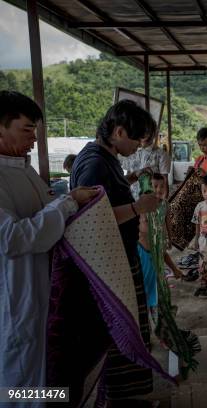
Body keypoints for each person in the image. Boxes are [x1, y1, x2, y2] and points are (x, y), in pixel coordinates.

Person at [0, 91, 97, 400]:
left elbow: (46, 210)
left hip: (39, 290)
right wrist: (67, 204)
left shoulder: (22, 168)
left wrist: (67, 202)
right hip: (16, 294)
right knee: (18, 378)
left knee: (40, 373)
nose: (33, 140)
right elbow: (13, 238)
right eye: (26, 129)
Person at [71, 100, 161, 404]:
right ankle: (120, 399)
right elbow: (90, 217)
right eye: (135, 139)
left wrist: (132, 180)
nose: (138, 147)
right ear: (118, 131)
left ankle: (125, 396)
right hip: (110, 264)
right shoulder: (95, 163)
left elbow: (105, 195)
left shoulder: (101, 156)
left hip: (119, 257)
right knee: (121, 331)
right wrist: (138, 207)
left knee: (128, 328)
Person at [138, 173, 183, 318]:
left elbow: (167, 222)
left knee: (159, 286)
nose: (159, 190)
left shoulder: (165, 205)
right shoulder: (141, 205)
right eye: (155, 186)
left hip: (158, 248)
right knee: (147, 287)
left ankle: (159, 315)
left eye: (162, 186)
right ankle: (150, 315)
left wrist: (170, 237)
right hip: (144, 251)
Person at [123, 131, 171, 200]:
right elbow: (127, 176)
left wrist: (163, 202)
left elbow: (165, 181)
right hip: (131, 201)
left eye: (147, 130)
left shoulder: (161, 155)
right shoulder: (130, 152)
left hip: (151, 202)